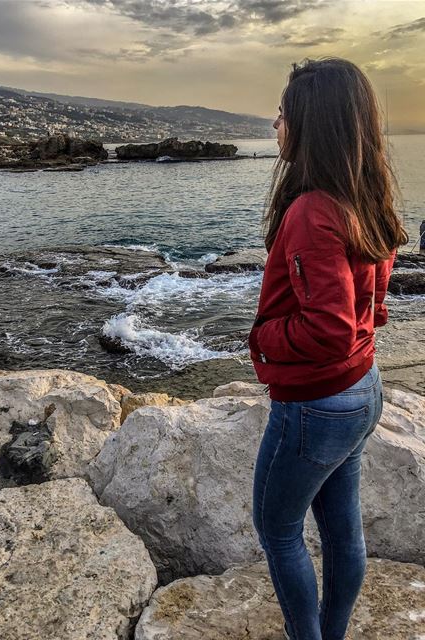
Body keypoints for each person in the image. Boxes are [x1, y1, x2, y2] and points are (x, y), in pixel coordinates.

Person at [249, 57, 409, 640]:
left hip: (318, 403)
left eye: (283, 114)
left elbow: (328, 329)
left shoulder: (313, 211)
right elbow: (373, 305)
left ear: (311, 123)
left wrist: (260, 338)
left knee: (278, 529)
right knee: (342, 532)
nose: (274, 124)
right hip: (362, 390)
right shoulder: (363, 197)